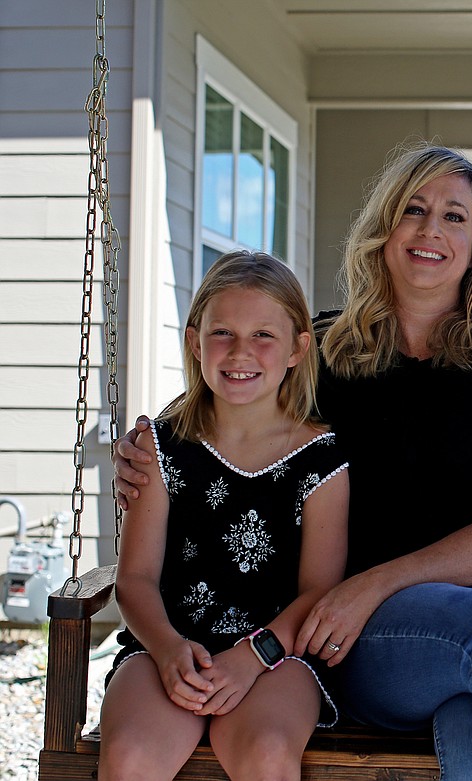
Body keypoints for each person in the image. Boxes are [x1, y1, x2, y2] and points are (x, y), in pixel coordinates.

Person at [115, 143, 472, 781]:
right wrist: (144, 446)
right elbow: (231, 393)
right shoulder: (330, 350)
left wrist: (375, 582)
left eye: (455, 217)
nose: (431, 230)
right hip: (366, 637)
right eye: (413, 210)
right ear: (383, 229)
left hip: (471, 616)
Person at [99, 251, 350, 780]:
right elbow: (136, 578)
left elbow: (318, 592)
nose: (241, 352)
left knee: (266, 752)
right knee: (130, 756)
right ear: (194, 341)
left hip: (276, 655)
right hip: (165, 647)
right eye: (222, 333)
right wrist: (168, 650)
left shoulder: (322, 459)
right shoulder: (159, 447)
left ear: (297, 349)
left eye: (263, 335)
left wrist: (251, 657)